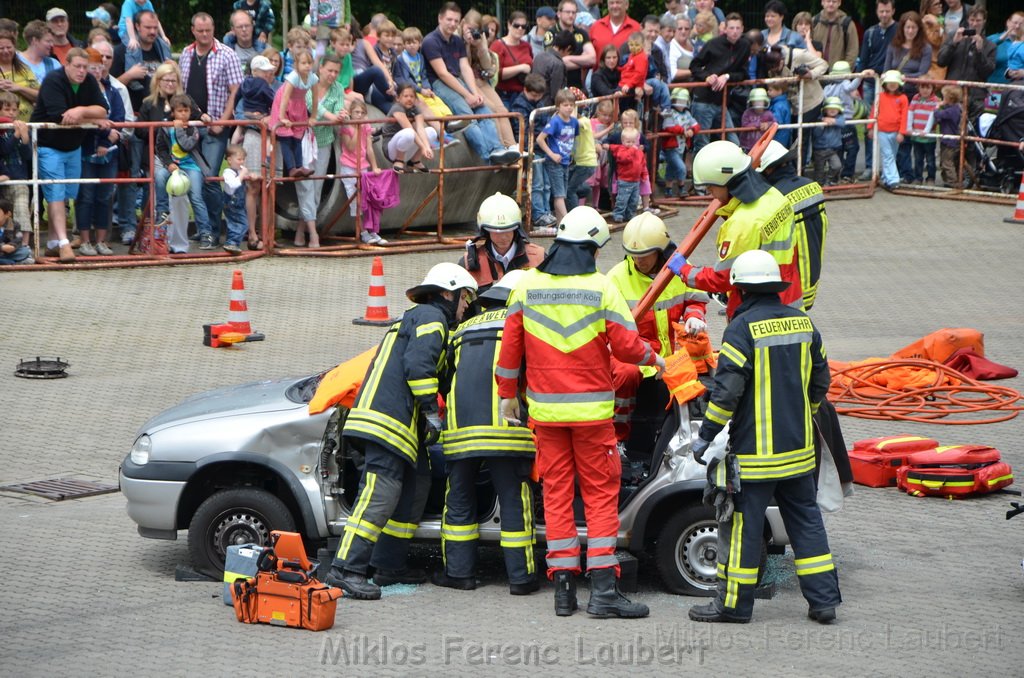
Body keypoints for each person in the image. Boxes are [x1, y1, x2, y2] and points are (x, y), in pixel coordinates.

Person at [495, 205, 665, 619]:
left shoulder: (526, 288)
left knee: (555, 495)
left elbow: (510, 350)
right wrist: (653, 356)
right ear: (591, 247)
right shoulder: (602, 288)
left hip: (547, 417)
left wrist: (507, 394)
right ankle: (604, 591)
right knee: (600, 496)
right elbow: (627, 346)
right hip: (592, 419)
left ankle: (564, 591)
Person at [686, 249, 840, 625]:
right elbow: (821, 382)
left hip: (755, 457)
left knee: (742, 529)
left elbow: (726, 394)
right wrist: (805, 412)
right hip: (801, 453)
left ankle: (734, 607)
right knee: (807, 523)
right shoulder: (803, 323)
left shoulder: (741, 328)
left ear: (739, 290)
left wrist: (705, 435)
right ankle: (824, 603)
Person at [326, 262, 479, 600]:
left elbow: (435, 370)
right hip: (387, 424)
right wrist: (430, 409)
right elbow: (419, 364)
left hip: (400, 429)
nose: (467, 305)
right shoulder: (430, 317)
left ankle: (388, 565)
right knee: (379, 496)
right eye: (465, 297)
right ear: (447, 293)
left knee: (415, 486)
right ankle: (346, 569)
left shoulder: (422, 319)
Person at [432, 269, 540, 594]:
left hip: (460, 429)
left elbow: (445, 375)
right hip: (505, 430)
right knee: (513, 500)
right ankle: (521, 579)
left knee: (459, 499)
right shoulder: (525, 325)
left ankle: (459, 574)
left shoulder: (462, 328)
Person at [665, 140, 803, 319]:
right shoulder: (775, 197)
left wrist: (684, 270)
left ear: (726, 181)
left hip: (755, 312)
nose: (709, 192)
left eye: (710, 186)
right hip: (789, 299)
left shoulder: (742, 223)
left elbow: (722, 278)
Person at [607, 212, 708, 445]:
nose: (638, 261)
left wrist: (694, 316)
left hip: (668, 356)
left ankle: (682, 437)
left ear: (660, 251)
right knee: (625, 374)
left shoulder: (679, 270)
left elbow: (695, 299)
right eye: (633, 255)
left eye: (643, 255)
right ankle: (617, 438)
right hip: (634, 355)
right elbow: (615, 334)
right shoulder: (616, 279)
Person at [31, 47, 109, 263]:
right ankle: (65, 243)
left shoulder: (90, 82)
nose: (82, 71)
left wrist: (82, 111)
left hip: (73, 146)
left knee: (68, 193)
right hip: (49, 145)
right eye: (78, 66)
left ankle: (53, 244)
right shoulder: (52, 80)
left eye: (85, 67)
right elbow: (61, 116)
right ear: (67, 64)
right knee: (55, 192)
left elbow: (103, 110)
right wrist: (90, 116)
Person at [422, 2, 521, 166]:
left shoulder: (456, 41)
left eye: (455, 20)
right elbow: (442, 74)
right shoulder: (430, 41)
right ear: (440, 18)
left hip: (458, 80)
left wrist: (474, 94)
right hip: (439, 84)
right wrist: (467, 95)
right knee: (469, 116)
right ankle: (487, 157)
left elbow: (465, 67)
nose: (452, 24)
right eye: (449, 19)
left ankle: (498, 149)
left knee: (485, 110)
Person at [179, 12, 244, 248]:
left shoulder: (227, 54)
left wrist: (223, 122)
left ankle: (215, 229)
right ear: (193, 30)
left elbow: (236, 91)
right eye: (200, 30)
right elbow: (182, 90)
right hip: (191, 126)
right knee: (192, 178)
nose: (205, 34)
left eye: (208, 30)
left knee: (209, 178)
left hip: (216, 125)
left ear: (214, 28)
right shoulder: (186, 54)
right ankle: (203, 227)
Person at [757, 140, 829, 311]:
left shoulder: (776, 197)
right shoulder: (812, 186)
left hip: (792, 280)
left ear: (769, 169)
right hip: (813, 271)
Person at [76, 47, 125, 257]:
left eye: (98, 67)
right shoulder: (80, 93)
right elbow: (81, 120)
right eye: (91, 68)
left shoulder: (112, 91)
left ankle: (102, 241)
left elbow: (119, 118)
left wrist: (111, 136)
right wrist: (102, 135)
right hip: (86, 151)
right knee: (85, 196)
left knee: (106, 196)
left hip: (110, 154)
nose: (96, 71)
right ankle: (85, 240)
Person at [155, 94, 213, 254]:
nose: (183, 114)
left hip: (191, 166)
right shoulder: (166, 127)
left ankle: (206, 233)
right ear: (173, 112)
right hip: (173, 167)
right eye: (180, 111)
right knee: (159, 176)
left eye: (186, 111)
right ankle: (162, 211)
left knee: (196, 197)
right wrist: (168, 164)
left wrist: (180, 128)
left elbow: (186, 145)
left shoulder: (193, 127)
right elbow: (160, 148)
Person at [688, 13, 750, 155]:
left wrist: (727, 76)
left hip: (722, 101)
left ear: (742, 29)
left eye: (737, 28)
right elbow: (694, 66)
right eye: (731, 28)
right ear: (725, 29)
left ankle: (737, 174)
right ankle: (699, 175)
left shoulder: (745, 46)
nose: (734, 31)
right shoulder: (713, 44)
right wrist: (708, 77)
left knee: (733, 142)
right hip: (704, 99)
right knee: (702, 142)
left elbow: (743, 73)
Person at [459, 192, 545, 291]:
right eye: (496, 232)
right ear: (486, 231)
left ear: (516, 229)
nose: (503, 237)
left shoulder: (539, 257)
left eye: (508, 230)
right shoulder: (469, 263)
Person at [856, 0, 897, 180]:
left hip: (892, 83)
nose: (884, 15)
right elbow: (863, 60)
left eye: (887, 11)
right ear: (877, 11)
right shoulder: (870, 32)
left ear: (893, 10)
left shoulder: (899, 31)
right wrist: (859, 80)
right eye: (881, 11)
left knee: (894, 125)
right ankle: (869, 166)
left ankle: (892, 168)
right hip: (871, 83)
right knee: (870, 125)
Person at [937, 9, 996, 120]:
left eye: (978, 20)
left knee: (972, 134)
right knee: (950, 132)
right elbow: (941, 61)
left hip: (976, 96)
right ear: (967, 20)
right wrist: (953, 43)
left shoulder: (990, 45)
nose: (974, 24)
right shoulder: (955, 37)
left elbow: (987, 72)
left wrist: (979, 51)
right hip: (952, 94)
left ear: (984, 21)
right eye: (972, 20)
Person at [338, 98, 383, 244]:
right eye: (357, 112)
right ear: (351, 113)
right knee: (355, 201)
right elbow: (350, 147)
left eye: (362, 112)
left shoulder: (366, 126)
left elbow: (369, 147)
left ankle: (373, 231)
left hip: (362, 165)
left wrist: (374, 166)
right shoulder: (346, 127)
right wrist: (357, 128)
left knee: (368, 199)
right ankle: (363, 232)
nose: (359, 115)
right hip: (349, 165)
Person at [270, 47, 317, 179]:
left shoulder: (313, 78)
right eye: (303, 63)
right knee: (286, 139)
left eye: (309, 63)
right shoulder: (293, 77)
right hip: (284, 103)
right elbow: (285, 97)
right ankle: (291, 168)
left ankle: (300, 166)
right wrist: (282, 116)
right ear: (296, 65)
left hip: (298, 104)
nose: (307, 66)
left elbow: (315, 98)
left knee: (297, 137)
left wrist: (313, 116)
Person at [396, 27, 455, 121]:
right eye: (408, 43)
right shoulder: (401, 59)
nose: (411, 45)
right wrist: (420, 90)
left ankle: (449, 117)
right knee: (425, 103)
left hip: (422, 87)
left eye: (414, 42)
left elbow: (424, 75)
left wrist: (427, 87)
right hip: (412, 89)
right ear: (404, 45)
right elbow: (407, 80)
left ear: (420, 43)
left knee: (435, 99)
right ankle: (441, 121)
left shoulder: (421, 58)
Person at [537, 89, 579, 222]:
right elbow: (540, 139)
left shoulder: (574, 122)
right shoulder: (555, 121)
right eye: (565, 105)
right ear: (558, 106)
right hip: (555, 162)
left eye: (571, 105)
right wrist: (551, 154)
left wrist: (573, 153)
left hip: (566, 161)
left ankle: (560, 225)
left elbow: (574, 139)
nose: (569, 108)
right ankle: (568, 221)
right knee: (560, 195)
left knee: (561, 195)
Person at [381, 82, 437, 173]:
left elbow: (420, 128)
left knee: (431, 131)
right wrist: (423, 147)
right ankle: (399, 160)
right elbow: (410, 129)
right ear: (398, 98)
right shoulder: (397, 108)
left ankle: (415, 160)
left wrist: (427, 147)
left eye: (412, 96)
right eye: (406, 96)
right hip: (391, 148)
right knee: (409, 132)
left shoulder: (415, 109)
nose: (409, 99)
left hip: (407, 145)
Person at [869, 69, 908, 191]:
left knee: (892, 155)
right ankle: (893, 180)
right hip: (882, 130)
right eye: (889, 82)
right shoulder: (879, 97)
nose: (892, 85)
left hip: (895, 131)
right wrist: (870, 127)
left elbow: (904, 116)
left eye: (894, 82)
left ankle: (886, 178)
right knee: (888, 156)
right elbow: (873, 113)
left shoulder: (903, 98)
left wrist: (902, 132)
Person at [824, 61, 862, 182]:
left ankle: (836, 175)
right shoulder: (845, 83)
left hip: (833, 122)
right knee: (853, 148)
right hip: (846, 121)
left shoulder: (828, 88)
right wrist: (860, 76)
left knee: (838, 148)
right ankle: (847, 174)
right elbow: (851, 86)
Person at [546, 1, 595, 90]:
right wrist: (583, 62)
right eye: (568, 12)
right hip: (557, 86)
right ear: (559, 14)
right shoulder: (551, 34)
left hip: (577, 86)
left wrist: (568, 59)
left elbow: (592, 59)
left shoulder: (581, 33)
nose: (571, 15)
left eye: (574, 12)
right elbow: (552, 63)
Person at [0, 93, 30, 233]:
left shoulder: (22, 126)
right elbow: (4, 150)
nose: (11, 113)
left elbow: (28, 155)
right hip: (2, 178)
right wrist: (16, 135)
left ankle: (24, 244)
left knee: (21, 208)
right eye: (7, 109)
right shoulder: (2, 129)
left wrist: (24, 139)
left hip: (19, 177)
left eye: (14, 109)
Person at [661, 88, 699, 197]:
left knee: (671, 168)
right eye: (678, 101)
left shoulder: (687, 113)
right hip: (671, 147)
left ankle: (668, 190)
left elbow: (696, 125)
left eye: (683, 102)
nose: (680, 104)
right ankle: (681, 189)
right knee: (681, 167)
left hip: (682, 146)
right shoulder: (669, 113)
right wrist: (683, 131)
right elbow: (668, 127)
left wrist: (692, 130)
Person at [604, 127, 648, 222]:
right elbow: (624, 158)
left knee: (634, 200)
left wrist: (643, 175)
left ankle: (630, 214)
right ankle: (618, 214)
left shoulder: (639, 152)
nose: (631, 144)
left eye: (633, 142)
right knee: (622, 199)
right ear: (622, 141)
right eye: (628, 142)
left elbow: (642, 164)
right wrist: (632, 150)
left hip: (636, 181)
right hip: (625, 180)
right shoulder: (621, 150)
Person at [491, 12, 534, 108]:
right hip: (504, 95)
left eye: (523, 26)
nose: (520, 29)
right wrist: (520, 68)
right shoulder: (497, 45)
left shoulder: (526, 46)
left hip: (524, 94)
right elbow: (495, 74)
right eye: (516, 25)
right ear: (509, 25)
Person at [0, 31, 39, 122]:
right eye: (1, 48)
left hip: (26, 124)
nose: (6, 51)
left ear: (15, 48)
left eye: (9, 47)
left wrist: (19, 88)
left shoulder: (25, 70)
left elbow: (40, 96)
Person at [905, 81, 939, 184]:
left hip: (929, 136)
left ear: (932, 88)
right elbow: (910, 112)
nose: (925, 90)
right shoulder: (915, 98)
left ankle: (931, 178)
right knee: (918, 159)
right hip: (916, 135)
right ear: (918, 88)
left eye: (928, 88)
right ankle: (918, 177)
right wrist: (909, 127)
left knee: (930, 159)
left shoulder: (935, 100)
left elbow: (933, 116)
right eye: (922, 87)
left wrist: (926, 131)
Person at [810, 0, 859, 67]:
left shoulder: (847, 24)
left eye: (834, 1)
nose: (831, 4)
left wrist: (846, 69)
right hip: (816, 71)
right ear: (822, 2)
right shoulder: (814, 22)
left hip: (839, 72)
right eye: (828, 1)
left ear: (839, 3)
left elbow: (852, 50)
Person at [220, 144, 249, 253]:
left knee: (234, 224)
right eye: (239, 159)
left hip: (239, 203)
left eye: (243, 159)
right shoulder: (228, 172)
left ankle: (232, 244)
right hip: (232, 203)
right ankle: (232, 243)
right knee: (242, 223)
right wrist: (242, 174)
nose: (241, 162)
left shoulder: (238, 171)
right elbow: (233, 184)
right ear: (230, 160)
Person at [532, 30, 572, 108]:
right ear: (568, 48)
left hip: (534, 102)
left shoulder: (539, 56)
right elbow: (556, 94)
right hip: (548, 106)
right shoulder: (558, 64)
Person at [934, 85, 964, 187]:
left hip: (950, 140)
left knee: (947, 162)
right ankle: (946, 179)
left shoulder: (953, 110)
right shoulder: (952, 108)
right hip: (946, 139)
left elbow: (939, 115)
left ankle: (953, 182)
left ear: (949, 99)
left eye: (944, 97)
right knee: (943, 160)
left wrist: (937, 107)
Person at [811, 96, 844, 185]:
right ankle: (819, 186)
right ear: (825, 110)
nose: (833, 110)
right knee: (819, 170)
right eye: (830, 109)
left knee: (837, 166)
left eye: (835, 108)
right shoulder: (820, 119)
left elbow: (842, 123)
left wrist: (833, 121)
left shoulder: (840, 118)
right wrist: (823, 124)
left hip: (833, 150)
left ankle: (828, 180)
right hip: (820, 150)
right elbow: (816, 134)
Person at [19, 21, 61, 86]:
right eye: (48, 41)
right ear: (34, 40)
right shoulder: (16, 60)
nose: (52, 45)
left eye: (52, 42)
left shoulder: (54, 64)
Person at [987, 11, 1024, 85]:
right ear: (1008, 22)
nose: (1017, 26)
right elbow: (981, 53)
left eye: (1021, 24)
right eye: (1015, 22)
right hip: (993, 87)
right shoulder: (993, 39)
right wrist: (1000, 40)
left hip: (1018, 90)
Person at [740, 87, 775, 152]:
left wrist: (768, 124)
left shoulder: (768, 114)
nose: (758, 103)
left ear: (765, 102)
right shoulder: (747, 113)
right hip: (748, 146)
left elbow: (775, 123)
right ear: (751, 102)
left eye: (760, 101)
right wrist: (758, 125)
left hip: (763, 145)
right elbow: (744, 125)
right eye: (755, 101)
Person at [0, 197, 32, 264]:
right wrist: (1, 247)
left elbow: (18, 239)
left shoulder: (15, 225)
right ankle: (9, 262)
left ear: (7, 214)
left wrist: (12, 246)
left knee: (24, 251)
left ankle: (6, 261)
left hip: (7, 252)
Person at [767, 83, 792, 148]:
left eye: (770, 90)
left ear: (779, 91)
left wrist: (767, 124)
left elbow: (776, 121)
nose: (768, 92)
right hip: (783, 135)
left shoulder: (778, 106)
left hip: (778, 138)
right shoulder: (783, 102)